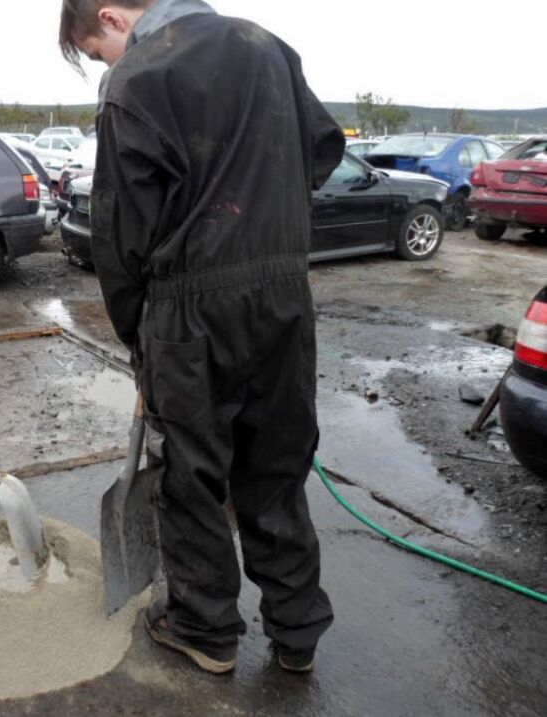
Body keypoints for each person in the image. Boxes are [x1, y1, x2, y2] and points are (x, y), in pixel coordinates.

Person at [59, 0, 345, 673]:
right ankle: (297, 630)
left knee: (190, 476)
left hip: (189, 307)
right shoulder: (266, 45)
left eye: (98, 51)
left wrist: (141, 338)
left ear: (111, 17)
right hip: (283, 296)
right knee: (275, 471)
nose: (107, 63)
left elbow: (120, 234)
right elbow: (322, 151)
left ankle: (204, 628)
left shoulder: (135, 81)